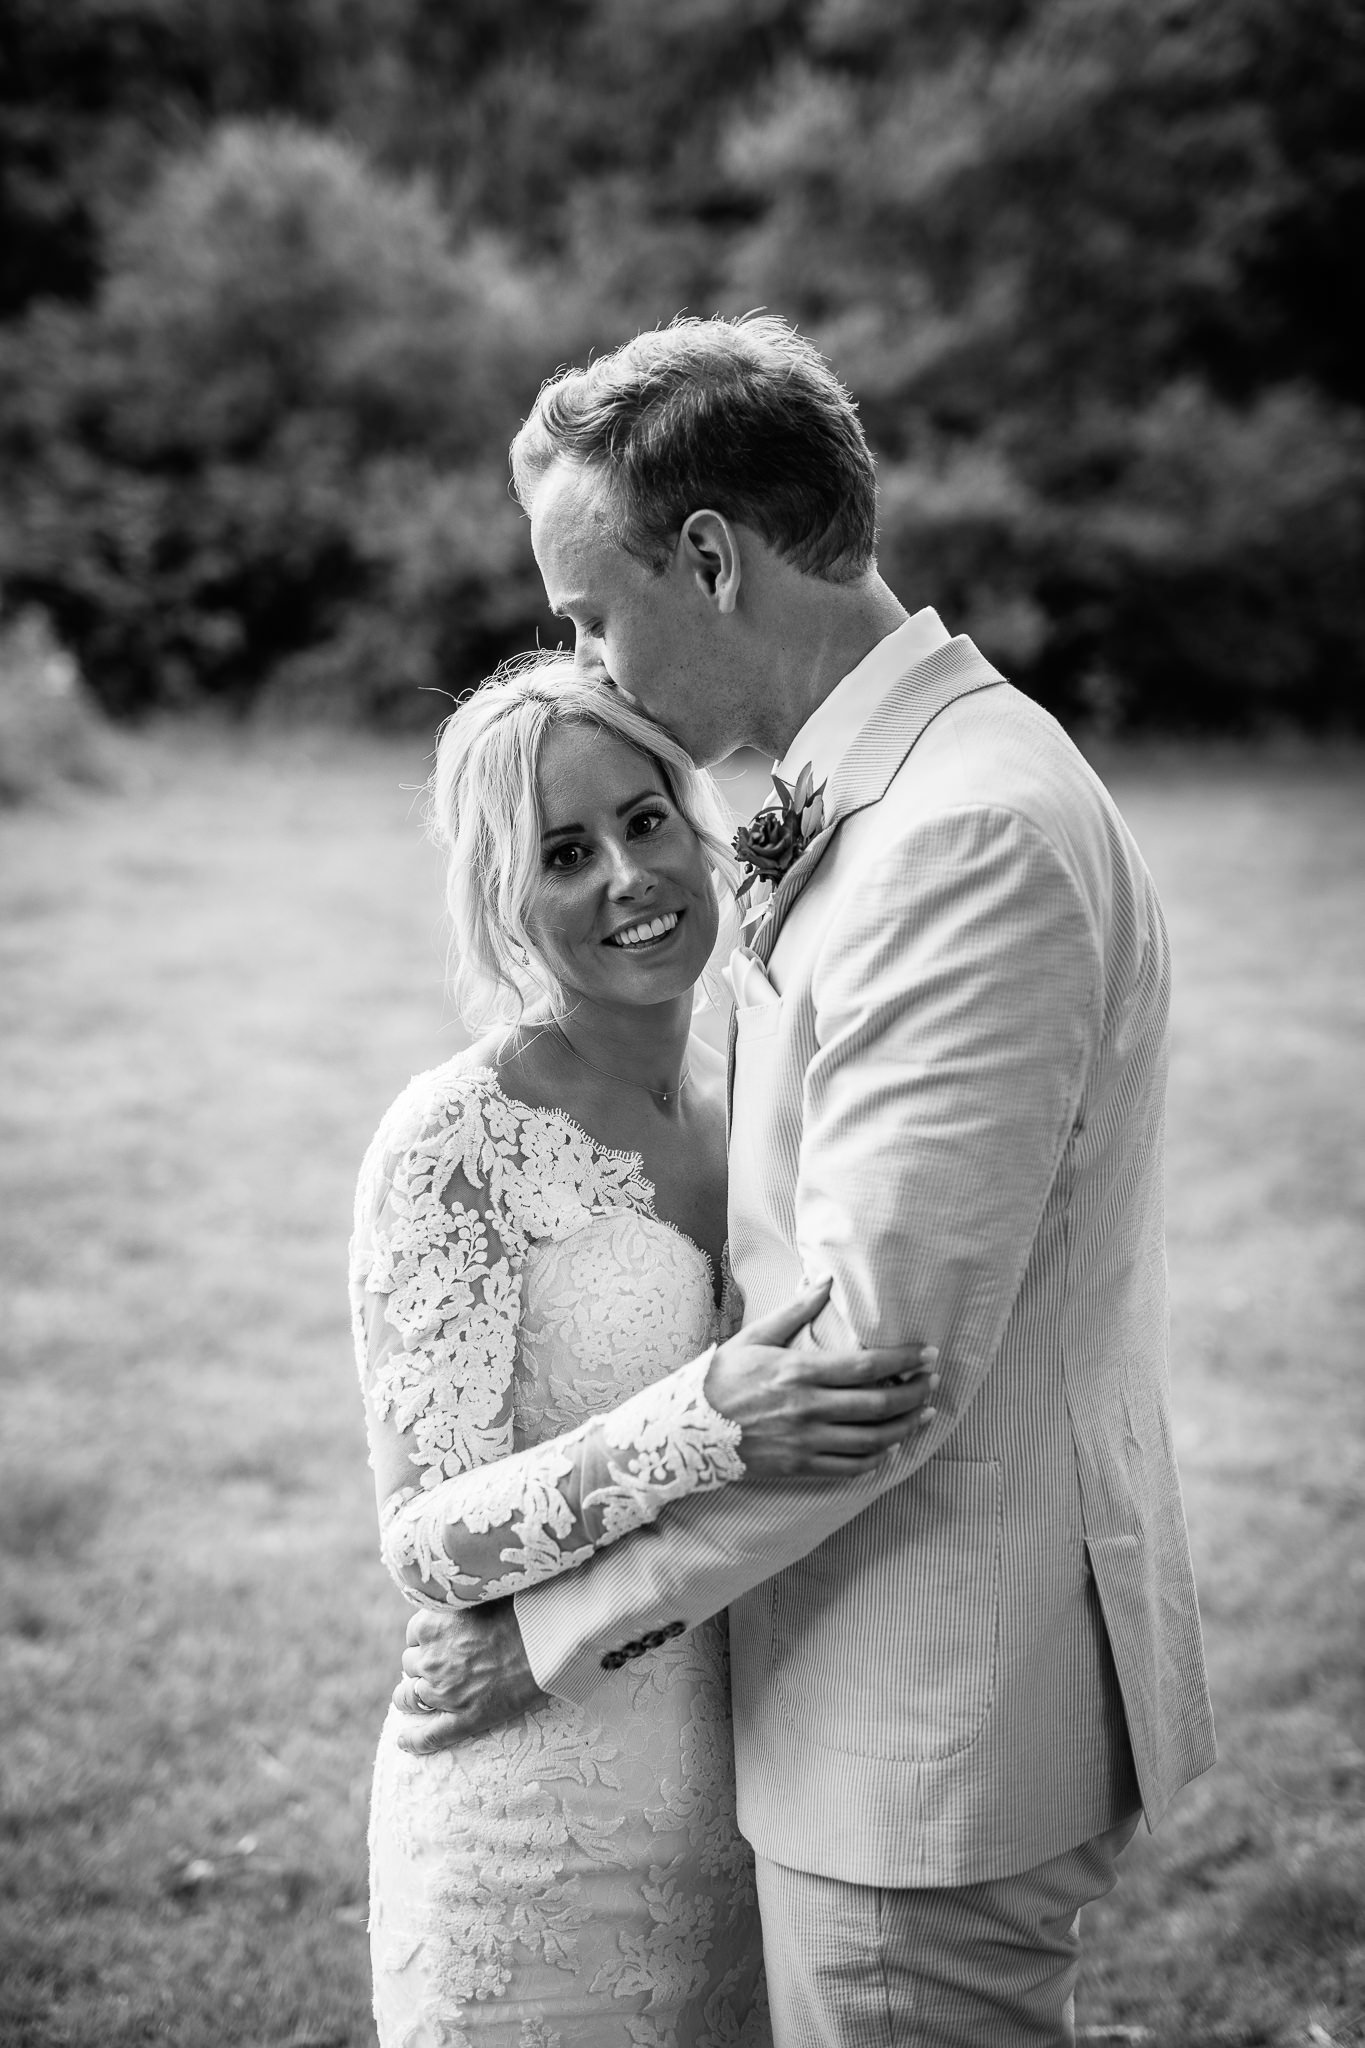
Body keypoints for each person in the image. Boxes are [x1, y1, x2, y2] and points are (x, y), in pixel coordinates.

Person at [395, 315, 1218, 2046]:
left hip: (924, 1712)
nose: (591, 667)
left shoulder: (955, 837)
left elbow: (872, 1365)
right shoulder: (883, 785)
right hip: (851, 1688)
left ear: (708, 557)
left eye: (588, 616)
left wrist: (552, 1623)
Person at [351, 657, 937, 2045]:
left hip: (747, 1782)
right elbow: (426, 1539)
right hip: (530, 1806)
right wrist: (706, 1420)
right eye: (564, 852)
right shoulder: (459, 1139)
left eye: (645, 819)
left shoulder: (756, 1095)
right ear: (505, 897)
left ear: (697, 818)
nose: (626, 874)